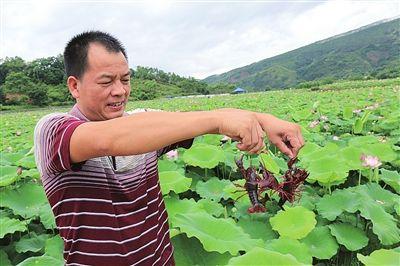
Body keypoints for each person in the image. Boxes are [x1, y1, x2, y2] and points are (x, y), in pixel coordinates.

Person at [34, 31, 304, 266]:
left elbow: (191, 120)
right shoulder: (52, 131)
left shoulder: (147, 124)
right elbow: (108, 139)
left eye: (125, 80)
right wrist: (219, 120)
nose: (119, 91)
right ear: (74, 86)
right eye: (106, 82)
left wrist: (264, 120)